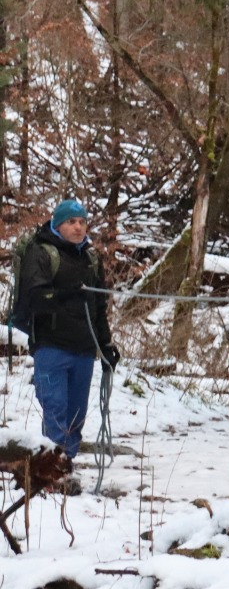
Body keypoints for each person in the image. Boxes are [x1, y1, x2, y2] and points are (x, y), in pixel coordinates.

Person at [17, 199, 118, 474]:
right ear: (57, 224)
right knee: (56, 410)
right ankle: (51, 469)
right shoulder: (41, 253)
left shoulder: (91, 259)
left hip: (84, 349)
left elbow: (99, 309)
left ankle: (65, 464)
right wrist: (68, 294)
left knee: (76, 415)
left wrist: (106, 345)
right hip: (51, 346)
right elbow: (35, 296)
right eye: (71, 222)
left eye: (82, 222)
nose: (77, 227)